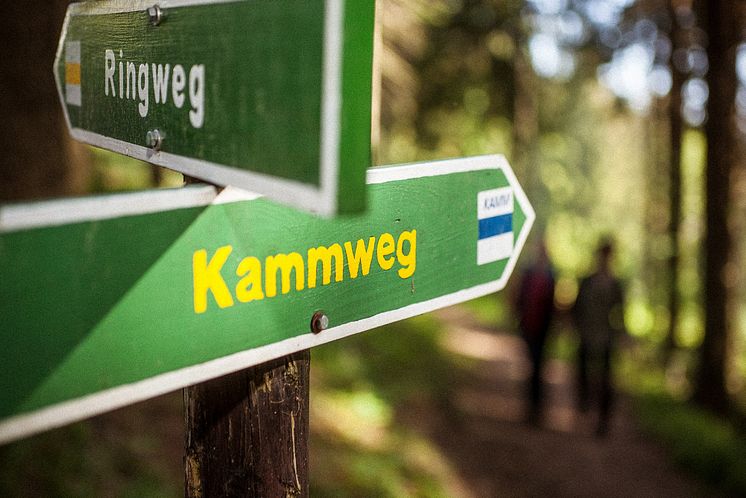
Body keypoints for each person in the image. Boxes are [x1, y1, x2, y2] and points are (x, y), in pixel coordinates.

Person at [572, 239, 625, 436]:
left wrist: (621, 335)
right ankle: (585, 406)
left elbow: (620, 312)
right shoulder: (587, 281)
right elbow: (577, 307)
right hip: (586, 335)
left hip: (606, 338)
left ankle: (603, 422)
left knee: (606, 382)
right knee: (583, 375)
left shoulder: (616, 284)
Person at [515, 241, 556, 425]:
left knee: (539, 367)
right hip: (528, 327)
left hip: (544, 329)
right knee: (531, 365)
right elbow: (519, 298)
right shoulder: (529, 273)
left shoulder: (551, 275)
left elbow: (553, 304)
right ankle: (530, 407)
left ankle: (537, 408)